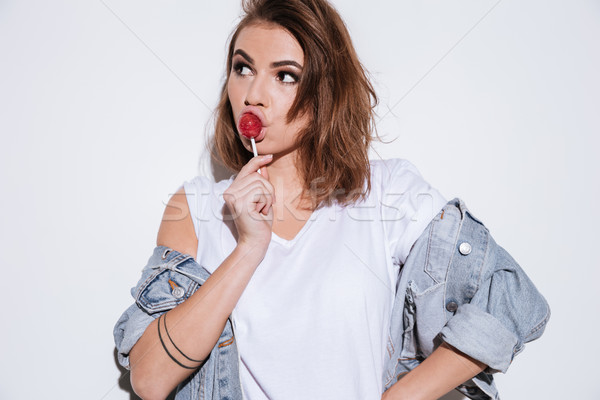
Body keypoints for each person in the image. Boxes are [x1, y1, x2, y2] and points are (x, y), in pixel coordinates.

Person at [114, 1, 549, 399]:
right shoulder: (195, 208)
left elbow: (509, 295)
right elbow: (150, 379)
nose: (253, 94)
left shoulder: (386, 192)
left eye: (285, 76)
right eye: (243, 68)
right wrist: (248, 249)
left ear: (324, 92)